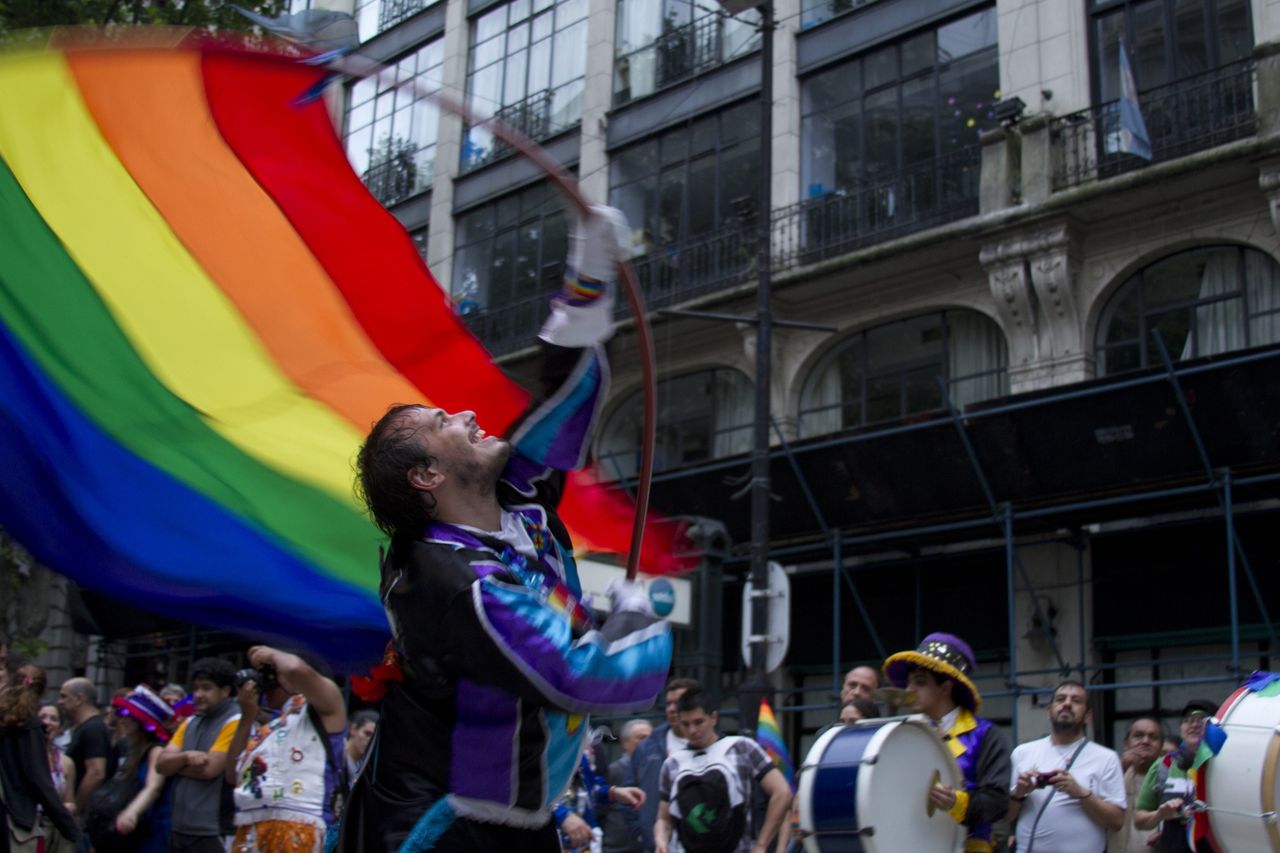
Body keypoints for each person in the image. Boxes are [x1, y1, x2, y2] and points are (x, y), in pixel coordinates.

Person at [336, 206, 672, 853]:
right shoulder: (458, 583)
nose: (466, 412)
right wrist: (643, 632)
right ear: (428, 474)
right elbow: (580, 672)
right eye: (444, 420)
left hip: (514, 821)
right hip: (446, 829)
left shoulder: (513, 501)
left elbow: (566, 403)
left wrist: (587, 278)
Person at [882, 633, 1011, 853]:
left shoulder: (986, 735)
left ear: (945, 688)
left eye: (920, 682)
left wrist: (956, 802)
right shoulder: (903, 736)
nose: (909, 690)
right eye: (908, 682)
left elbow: (996, 802)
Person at [223, 645, 347, 853]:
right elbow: (230, 774)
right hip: (255, 834)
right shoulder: (271, 727)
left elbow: (294, 668)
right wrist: (247, 717)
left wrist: (271, 654)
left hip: (302, 833)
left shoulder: (325, 707)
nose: (265, 684)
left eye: (271, 676)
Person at [654, 689, 791, 853]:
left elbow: (782, 792)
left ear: (713, 718)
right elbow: (663, 818)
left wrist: (761, 845)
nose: (692, 730)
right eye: (686, 724)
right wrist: (660, 841)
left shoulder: (742, 748)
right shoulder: (672, 764)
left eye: (698, 722)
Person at [1007, 681, 1125, 853]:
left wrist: (1081, 793)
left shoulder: (1106, 758)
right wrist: (1018, 793)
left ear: (1088, 716)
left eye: (1076, 700)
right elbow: (1006, 816)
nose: (1067, 704)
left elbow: (1117, 822)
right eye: (1060, 699)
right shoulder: (1022, 753)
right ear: (1049, 712)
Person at [157, 657, 241, 853]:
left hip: (213, 830)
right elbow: (160, 765)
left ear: (225, 691)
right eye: (196, 688)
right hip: (180, 828)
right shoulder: (190, 722)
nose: (198, 694)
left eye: (206, 688)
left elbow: (209, 770)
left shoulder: (235, 721)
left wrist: (175, 767)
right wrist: (186, 758)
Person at [1, 664, 81, 853]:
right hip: (15, 820)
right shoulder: (29, 727)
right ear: (42, 691)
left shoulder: (4, 721)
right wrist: (70, 829)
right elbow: (40, 779)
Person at [88, 686, 176, 853]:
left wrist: (132, 812)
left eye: (128, 715)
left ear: (141, 721)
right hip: (131, 832)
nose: (121, 720)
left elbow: (153, 787)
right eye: (121, 714)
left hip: (151, 830)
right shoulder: (131, 750)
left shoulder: (156, 751)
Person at [1133, 699, 1218, 853]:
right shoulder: (1163, 765)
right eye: (1188, 720)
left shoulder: (1226, 765)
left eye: (1200, 720)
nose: (1193, 725)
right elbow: (1139, 820)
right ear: (1180, 729)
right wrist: (1159, 814)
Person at [627, 677, 700, 853]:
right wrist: (642, 833)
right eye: (668, 704)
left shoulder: (713, 745)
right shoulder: (647, 746)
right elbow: (628, 792)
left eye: (679, 703)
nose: (672, 709)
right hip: (658, 846)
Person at [1108, 717, 1164, 853]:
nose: (1145, 741)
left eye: (1153, 737)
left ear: (1161, 746)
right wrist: (1120, 768)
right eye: (1138, 736)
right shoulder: (1109, 772)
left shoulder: (1169, 777)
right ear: (1126, 743)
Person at [58, 677, 111, 816]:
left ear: (78, 699)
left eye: (63, 696)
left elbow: (96, 773)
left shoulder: (93, 728)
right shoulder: (86, 728)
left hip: (85, 816)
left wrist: (76, 807)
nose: (59, 702)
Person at [602, 720, 652, 853]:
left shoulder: (658, 770)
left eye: (650, 738)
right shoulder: (613, 771)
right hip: (617, 847)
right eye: (641, 738)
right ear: (625, 743)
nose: (647, 742)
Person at [343, 711, 379, 787]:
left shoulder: (362, 767)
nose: (369, 741)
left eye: (373, 738)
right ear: (353, 729)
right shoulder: (335, 757)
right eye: (367, 734)